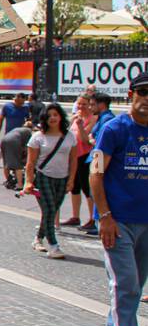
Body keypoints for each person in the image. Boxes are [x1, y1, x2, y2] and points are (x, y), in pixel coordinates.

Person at [89, 72, 148, 326]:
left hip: (146, 221)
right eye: (144, 91)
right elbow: (96, 173)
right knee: (125, 282)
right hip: (118, 221)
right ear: (131, 94)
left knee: (136, 285)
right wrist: (105, 217)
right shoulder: (112, 129)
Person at [22, 102, 77, 259]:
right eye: (49, 115)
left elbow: (73, 160)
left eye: (56, 115)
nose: (53, 118)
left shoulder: (69, 136)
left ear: (61, 117)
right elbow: (30, 163)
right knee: (50, 210)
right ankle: (53, 246)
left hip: (62, 178)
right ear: (44, 119)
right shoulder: (37, 137)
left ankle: (38, 239)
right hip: (43, 176)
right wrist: (28, 181)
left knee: (50, 212)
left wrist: (71, 179)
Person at [82, 91, 116, 234]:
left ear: (101, 105)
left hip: (99, 159)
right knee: (91, 191)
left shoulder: (108, 120)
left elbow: (100, 142)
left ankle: (99, 221)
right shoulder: (102, 118)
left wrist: (92, 140)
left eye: (92, 105)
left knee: (96, 190)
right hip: (95, 157)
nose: (90, 108)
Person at [62, 95, 96, 228]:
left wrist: (81, 125)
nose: (81, 107)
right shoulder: (75, 117)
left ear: (90, 105)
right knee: (74, 187)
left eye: (84, 104)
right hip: (73, 156)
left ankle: (92, 219)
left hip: (85, 156)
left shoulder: (93, 119)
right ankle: (75, 217)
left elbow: (85, 139)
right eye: (79, 104)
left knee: (87, 188)